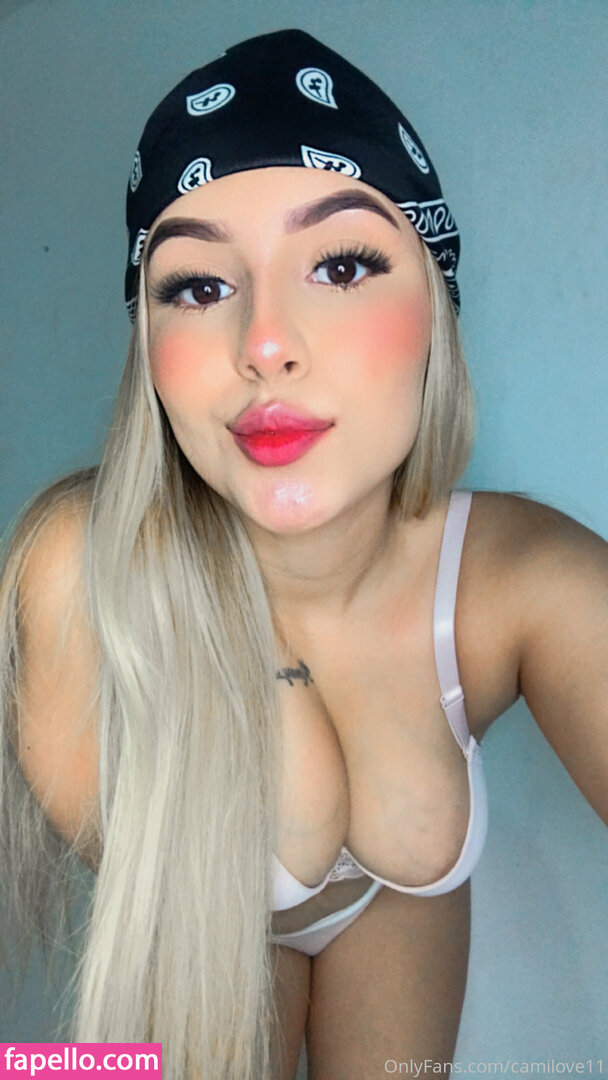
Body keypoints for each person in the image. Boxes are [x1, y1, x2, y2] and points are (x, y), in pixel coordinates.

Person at [1, 26, 606, 1080]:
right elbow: (120, 901)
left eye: (341, 264)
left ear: (436, 311)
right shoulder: (78, 576)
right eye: (198, 286)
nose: (265, 343)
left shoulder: (519, 581)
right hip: (207, 943)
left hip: (397, 917)